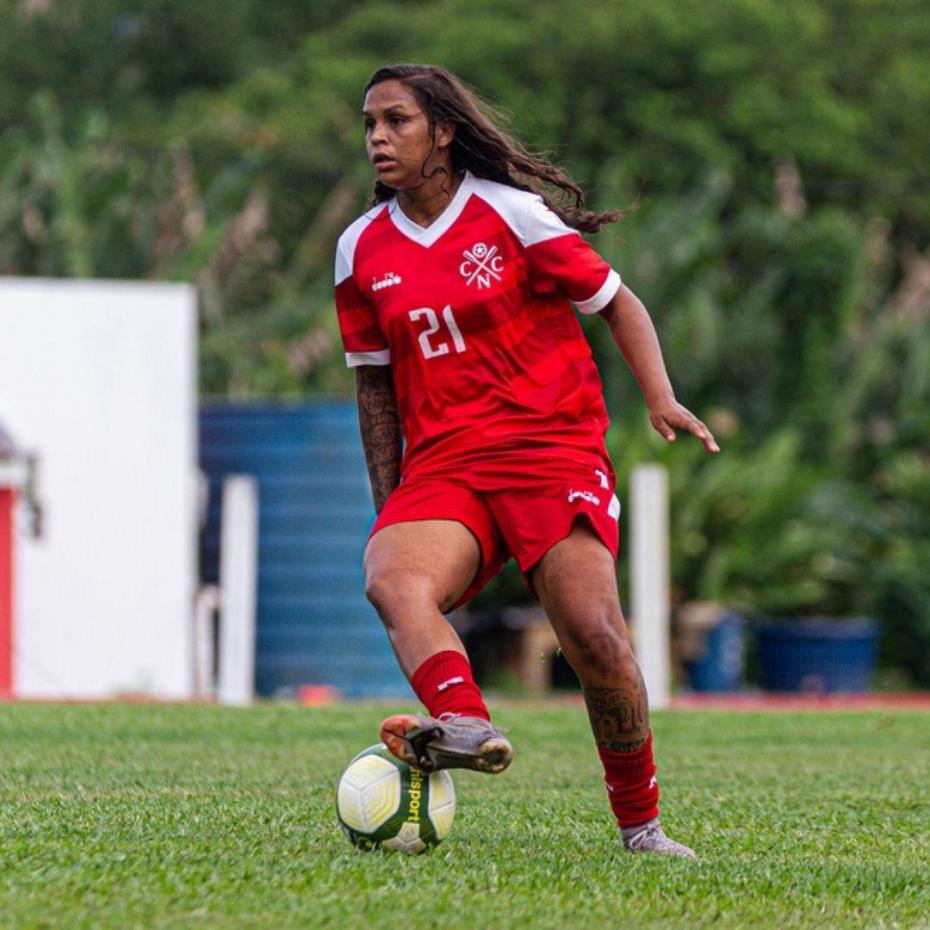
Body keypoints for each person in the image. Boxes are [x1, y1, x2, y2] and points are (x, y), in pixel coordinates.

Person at [334, 64, 719, 859]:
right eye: (369, 123)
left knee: (593, 632)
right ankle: (465, 723)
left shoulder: (512, 214)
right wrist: (393, 502)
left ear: (442, 131)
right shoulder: (359, 250)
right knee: (392, 577)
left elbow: (617, 301)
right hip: (446, 466)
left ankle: (641, 826)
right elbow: (374, 389)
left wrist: (659, 396)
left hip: (551, 449)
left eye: (396, 121)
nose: (377, 137)